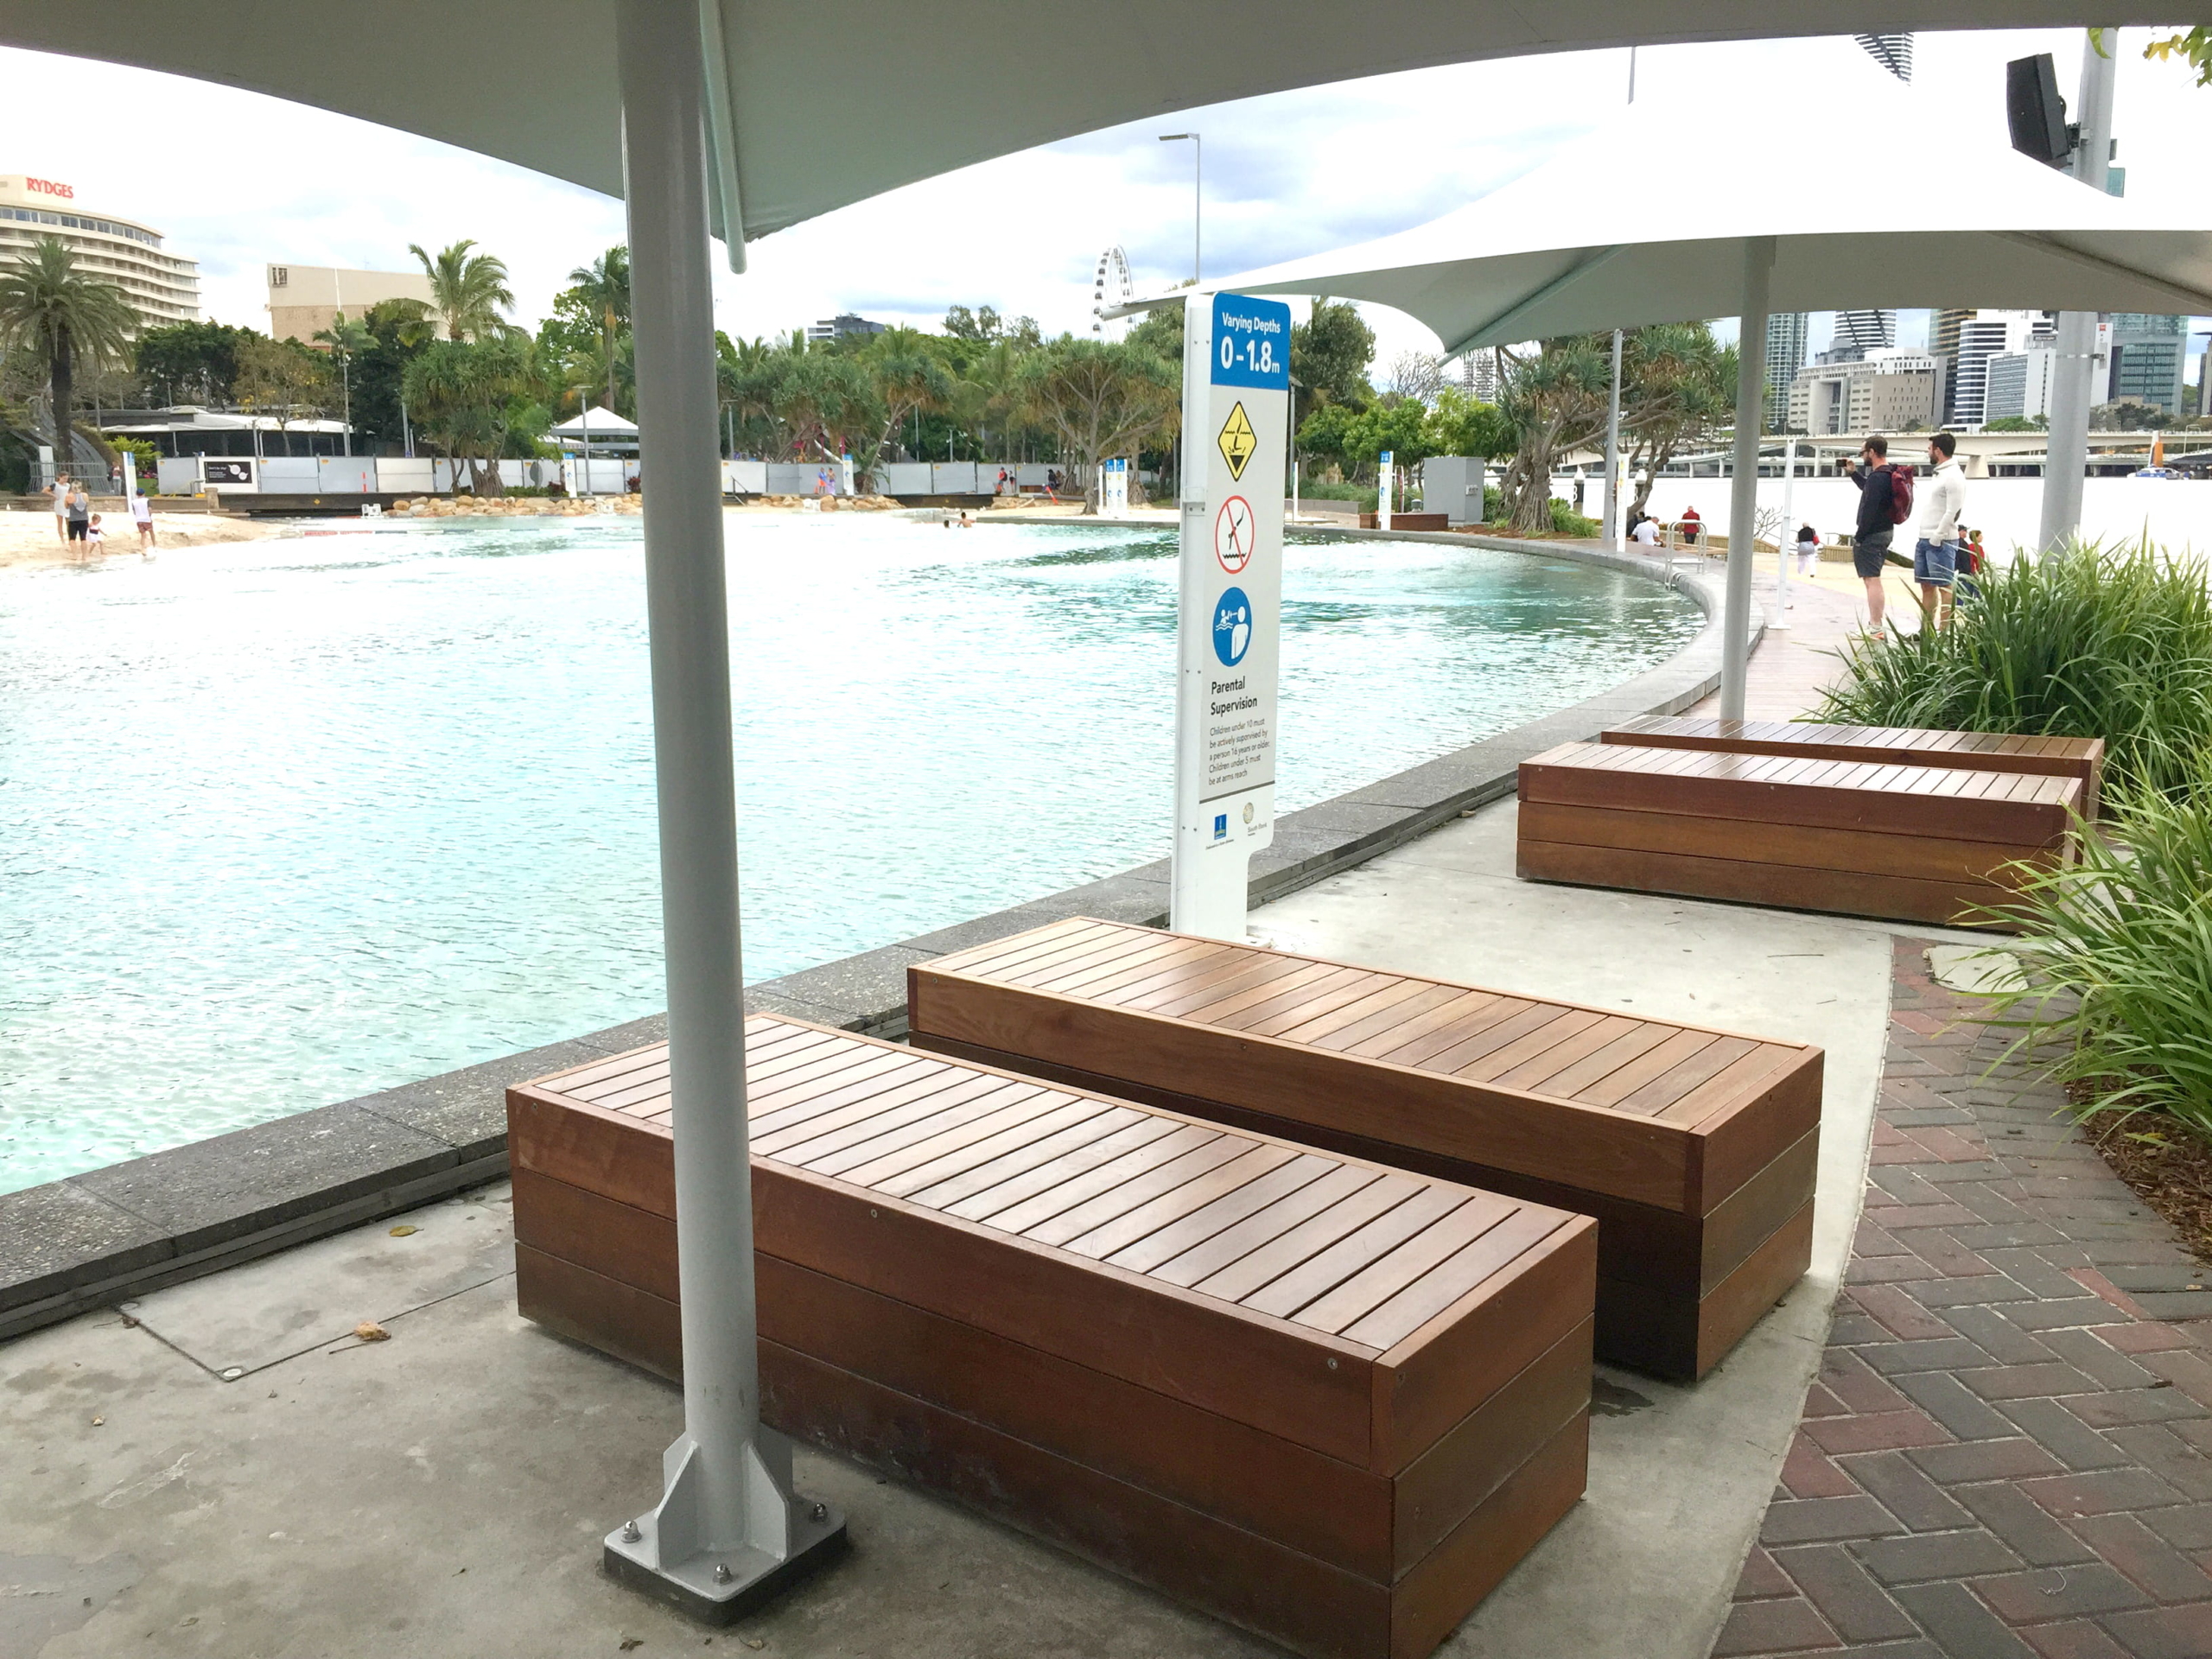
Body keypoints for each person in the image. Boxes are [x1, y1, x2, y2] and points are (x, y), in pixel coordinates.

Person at [1842, 435, 1902, 638]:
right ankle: (1875, 626)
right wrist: (1853, 474)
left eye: (1863, 453)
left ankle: (1876, 627)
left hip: (1873, 535)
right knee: (1872, 578)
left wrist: (1859, 536)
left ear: (1873, 452)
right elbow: (1868, 489)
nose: (1862, 457)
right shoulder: (1887, 473)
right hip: (1885, 531)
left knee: (1872, 580)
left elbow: (1870, 508)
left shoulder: (1878, 477)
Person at [1912, 431, 1966, 632]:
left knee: (1945, 587)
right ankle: (1925, 630)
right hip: (1924, 537)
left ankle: (1945, 631)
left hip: (1941, 541)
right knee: (1926, 586)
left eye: (1929, 449)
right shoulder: (1940, 473)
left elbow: (1953, 510)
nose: (1928, 452)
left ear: (1938, 450)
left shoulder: (1954, 476)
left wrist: (1938, 536)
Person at [64, 481, 91, 557]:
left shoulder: (69, 496)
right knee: (83, 538)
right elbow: (87, 503)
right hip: (84, 519)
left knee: (72, 539)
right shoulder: (85, 495)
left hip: (73, 520)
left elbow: (66, 506)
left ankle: (75, 556)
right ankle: (84, 556)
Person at [131, 487, 156, 553]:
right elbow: (150, 509)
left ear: (137, 494)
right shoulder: (147, 500)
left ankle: (143, 549)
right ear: (144, 493)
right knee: (151, 532)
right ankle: (154, 546)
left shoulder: (133, 502)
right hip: (146, 519)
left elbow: (134, 512)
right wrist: (150, 515)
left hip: (139, 520)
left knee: (143, 535)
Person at [51, 472, 71, 543]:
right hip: (59, 504)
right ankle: (62, 539)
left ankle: (70, 538)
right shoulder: (55, 485)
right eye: (64, 478)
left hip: (66, 504)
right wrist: (54, 495)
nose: (65, 480)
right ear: (60, 477)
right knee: (60, 523)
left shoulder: (68, 485)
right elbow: (45, 490)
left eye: (67, 479)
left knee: (69, 523)